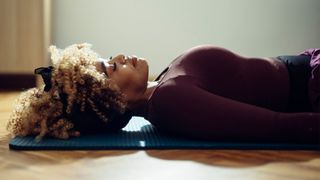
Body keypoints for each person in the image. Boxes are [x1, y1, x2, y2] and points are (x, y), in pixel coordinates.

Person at [7, 43, 320, 143]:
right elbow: (274, 126)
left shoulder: (162, 88)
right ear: (111, 101)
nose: (119, 57)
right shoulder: (170, 102)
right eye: (111, 68)